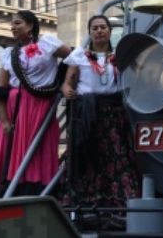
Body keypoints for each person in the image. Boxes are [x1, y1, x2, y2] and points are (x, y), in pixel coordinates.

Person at [58, 15, 141, 229]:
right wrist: (67, 90)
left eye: (103, 27)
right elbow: (67, 83)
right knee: (87, 158)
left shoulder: (119, 57)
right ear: (90, 32)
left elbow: (138, 74)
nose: (99, 31)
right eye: (95, 28)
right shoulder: (79, 56)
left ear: (110, 31)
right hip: (87, 114)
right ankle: (85, 208)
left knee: (117, 156)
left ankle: (119, 208)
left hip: (113, 112)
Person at [0, 10, 71, 199]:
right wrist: (4, 121)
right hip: (15, 108)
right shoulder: (8, 54)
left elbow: (73, 59)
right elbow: (0, 89)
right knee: (9, 151)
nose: (13, 27)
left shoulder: (48, 43)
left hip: (40, 106)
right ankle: (4, 192)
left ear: (30, 26)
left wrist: (64, 83)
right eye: (12, 24)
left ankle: (37, 191)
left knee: (38, 150)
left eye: (17, 23)